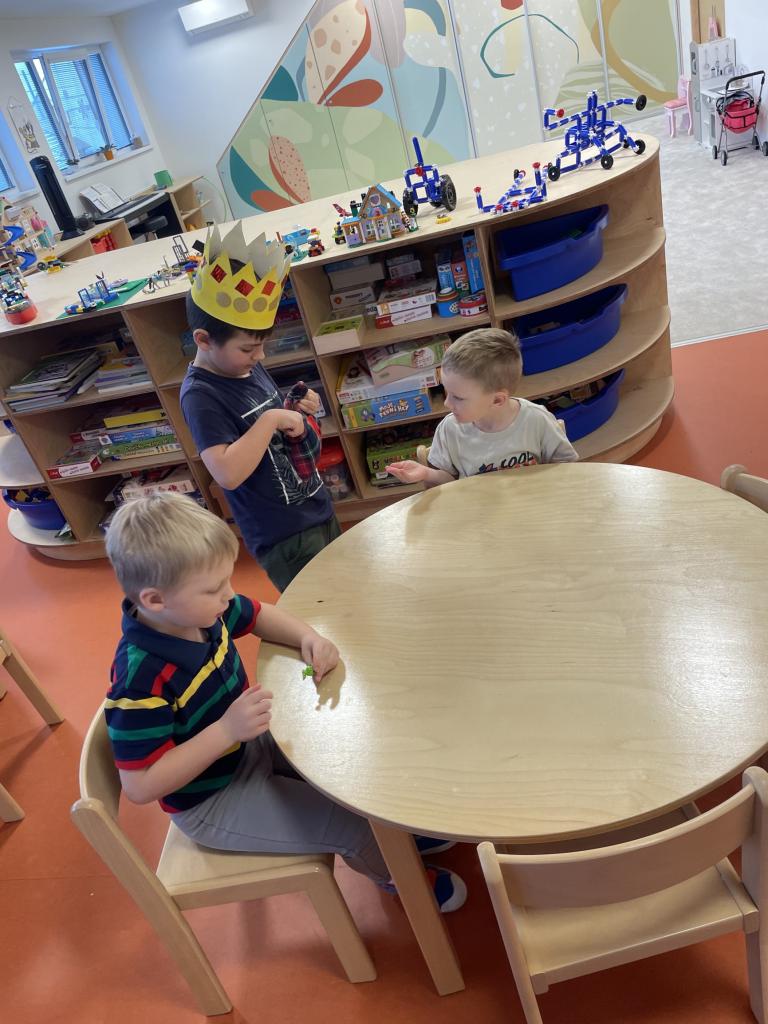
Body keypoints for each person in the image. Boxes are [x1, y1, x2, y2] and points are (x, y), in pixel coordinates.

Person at [104, 492, 465, 911]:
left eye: (227, 581)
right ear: (155, 600)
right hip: (211, 800)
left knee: (350, 766)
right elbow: (141, 785)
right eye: (214, 588)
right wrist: (226, 730)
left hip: (245, 747)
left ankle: (396, 839)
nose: (228, 595)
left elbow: (258, 614)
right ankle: (404, 880)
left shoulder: (199, 612)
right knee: (354, 828)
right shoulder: (138, 680)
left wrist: (309, 637)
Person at [180, 222, 339, 592]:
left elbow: (268, 416)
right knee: (317, 606)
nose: (260, 356)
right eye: (249, 348)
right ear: (203, 340)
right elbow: (227, 473)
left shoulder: (243, 366)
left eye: (262, 345)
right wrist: (271, 419)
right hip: (283, 534)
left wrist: (296, 407)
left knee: (344, 592)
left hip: (314, 505)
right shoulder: (200, 395)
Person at [387, 328, 578, 487]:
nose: (447, 403)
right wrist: (426, 473)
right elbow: (450, 486)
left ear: (497, 400)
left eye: (458, 397)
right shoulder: (450, 429)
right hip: (478, 515)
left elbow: (569, 468)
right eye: (446, 392)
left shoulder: (537, 420)